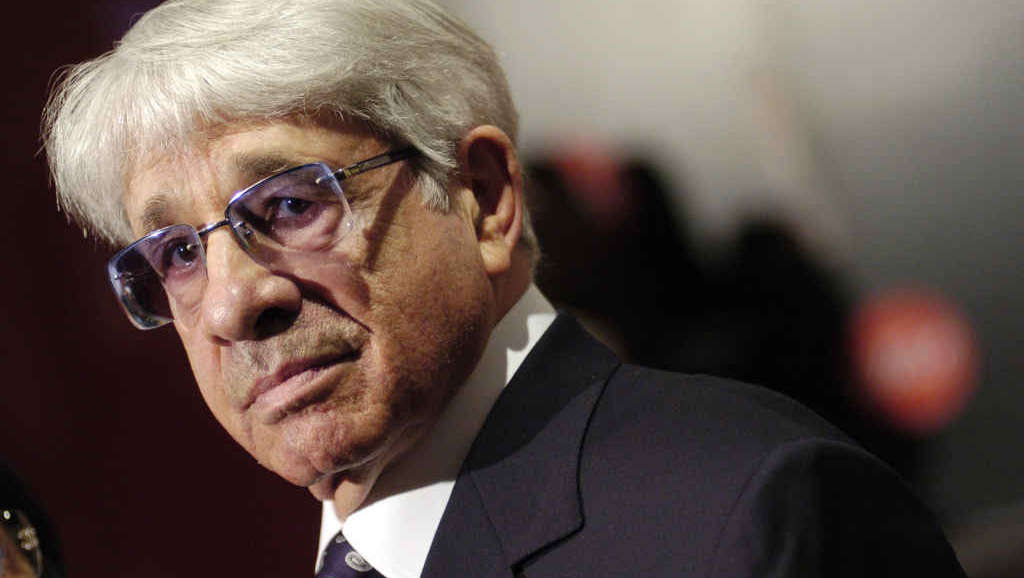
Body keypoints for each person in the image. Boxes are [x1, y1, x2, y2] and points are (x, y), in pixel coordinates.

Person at [42, 1, 966, 576]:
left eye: (289, 204)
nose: (232, 304)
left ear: (482, 198)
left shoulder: (743, 518)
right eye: (178, 253)